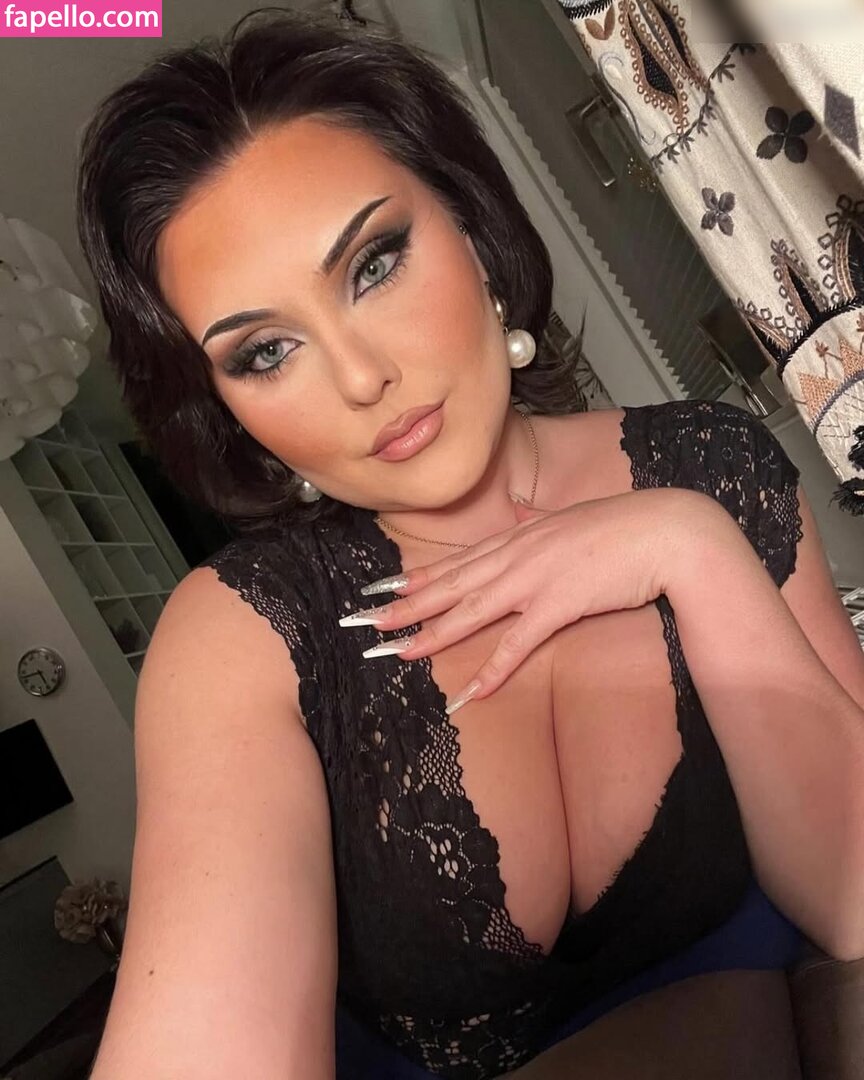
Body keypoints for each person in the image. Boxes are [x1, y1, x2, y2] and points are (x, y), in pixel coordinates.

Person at [75, 10, 864, 1079]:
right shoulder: (246, 630)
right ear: (232, 414)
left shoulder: (712, 469)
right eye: (265, 352)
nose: (362, 377)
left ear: (475, 230)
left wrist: (689, 544)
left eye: (374, 264)